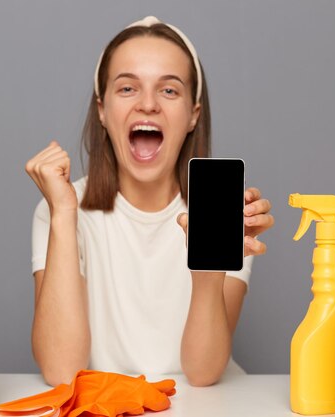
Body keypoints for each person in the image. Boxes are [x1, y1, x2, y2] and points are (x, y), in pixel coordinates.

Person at [26, 16, 274, 387]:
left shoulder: (226, 212)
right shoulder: (59, 208)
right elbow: (62, 372)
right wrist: (63, 214)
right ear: (102, 110)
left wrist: (209, 270)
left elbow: (203, 373)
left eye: (169, 91)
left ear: (193, 115)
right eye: (127, 89)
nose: (148, 105)